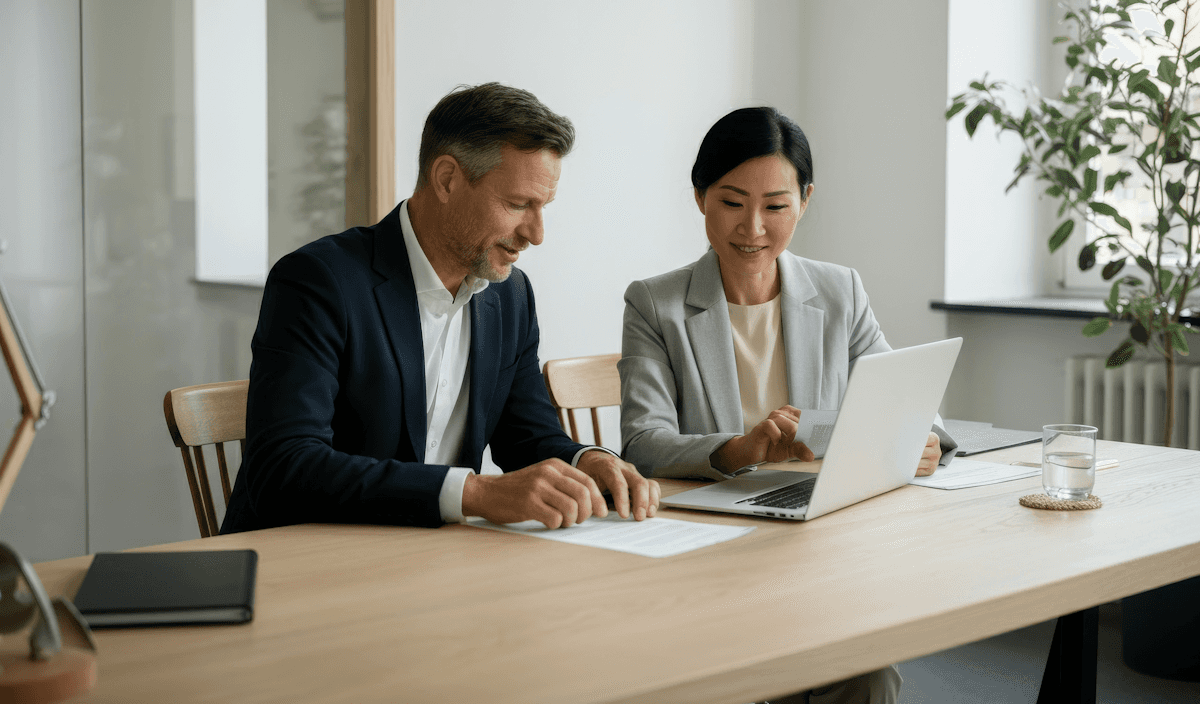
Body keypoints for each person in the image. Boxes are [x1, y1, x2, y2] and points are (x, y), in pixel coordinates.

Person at [618, 106, 954, 704]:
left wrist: (919, 438)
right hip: (707, 547)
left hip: (818, 539)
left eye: (776, 206)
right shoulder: (655, 303)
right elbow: (642, 443)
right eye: (730, 202)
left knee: (868, 674)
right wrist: (737, 448)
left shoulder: (839, 290)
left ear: (805, 200)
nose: (752, 228)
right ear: (699, 197)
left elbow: (908, 398)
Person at [222, 83, 659, 534]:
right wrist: (475, 493)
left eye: (543, 206)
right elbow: (284, 467)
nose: (536, 233)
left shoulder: (510, 296)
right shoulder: (318, 281)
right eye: (516, 204)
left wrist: (586, 461)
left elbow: (526, 436)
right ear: (447, 179)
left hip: (433, 556)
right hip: (301, 560)